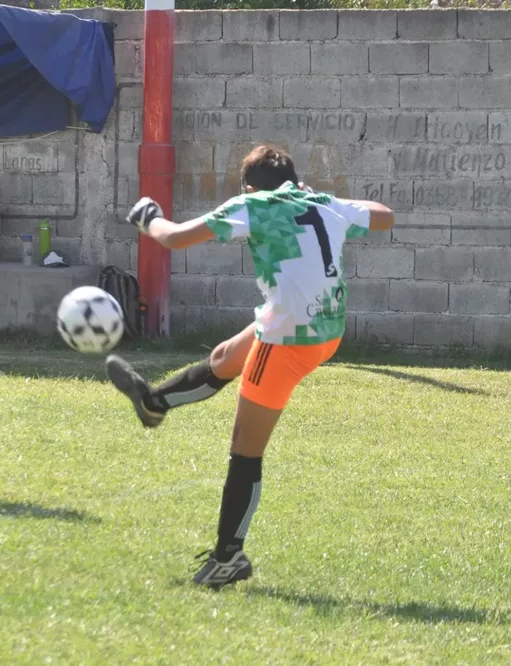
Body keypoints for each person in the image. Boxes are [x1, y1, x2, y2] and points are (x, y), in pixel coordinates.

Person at [117, 145, 395, 589]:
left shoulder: (254, 204)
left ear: (248, 186)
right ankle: (155, 402)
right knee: (226, 357)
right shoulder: (324, 203)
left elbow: (173, 237)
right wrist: (327, 200)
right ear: (295, 179)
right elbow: (384, 214)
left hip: (287, 337)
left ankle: (229, 557)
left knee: (245, 448)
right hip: (326, 329)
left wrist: (148, 216)